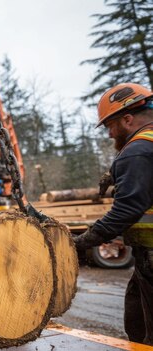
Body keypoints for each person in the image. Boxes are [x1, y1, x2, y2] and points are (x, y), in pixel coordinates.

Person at [73, 83, 153, 345]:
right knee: (137, 317)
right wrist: (116, 170)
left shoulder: (138, 151)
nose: (109, 134)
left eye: (110, 125)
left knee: (146, 331)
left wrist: (85, 240)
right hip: (146, 257)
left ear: (128, 119)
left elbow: (128, 208)